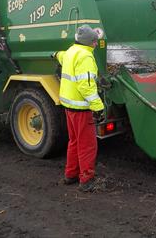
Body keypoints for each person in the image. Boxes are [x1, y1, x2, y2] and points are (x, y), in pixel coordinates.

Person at [54, 25, 105, 192]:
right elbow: (86, 86)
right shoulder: (85, 57)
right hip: (81, 109)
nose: (96, 44)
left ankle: (70, 175)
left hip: (69, 106)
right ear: (88, 42)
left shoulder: (70, 51)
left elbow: (61, 57)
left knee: (74, 142)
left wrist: (55, 55)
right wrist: (98, 107)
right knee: (88, 145)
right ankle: (86, 180)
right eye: (94, 42)